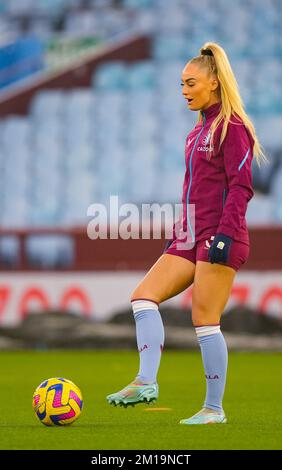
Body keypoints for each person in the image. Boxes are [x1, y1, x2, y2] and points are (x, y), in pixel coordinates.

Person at [106, 42, 267, 424]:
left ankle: (214, 409)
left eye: (190, 83)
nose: (184, 91)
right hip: (190, 237)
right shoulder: (196, 133)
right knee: (143, 296)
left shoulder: (233, 127)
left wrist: (225, 235)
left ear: (214, 82)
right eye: (181, 84)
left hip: (221, 238)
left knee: (205, 319)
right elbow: (192, 191)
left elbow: (241, 186)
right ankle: (146, 381)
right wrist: (179, 233)